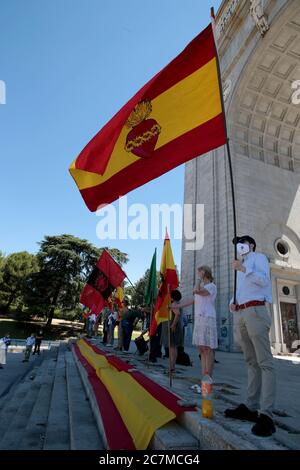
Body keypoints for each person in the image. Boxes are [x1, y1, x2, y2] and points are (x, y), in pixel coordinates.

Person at [224, 235, 276, 437]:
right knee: (250, 361)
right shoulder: (241, 264)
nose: (239, 247)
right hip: (241, 313)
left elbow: (263, 280)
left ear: (251, 245)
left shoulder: (258, 258)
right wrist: (232, 301)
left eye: (242, 243)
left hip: (256, 311)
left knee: (265, 362)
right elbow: (241, 290)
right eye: (237, 245)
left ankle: (267, 415)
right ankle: (251, 406)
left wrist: (244, 269)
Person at [174, 267, 218, 377]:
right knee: (201, 349)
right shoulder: (203, 287)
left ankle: (208, 380)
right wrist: (175, 306)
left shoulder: (211, 286)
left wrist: (198, 279)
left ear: (205, 273)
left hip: (207, 318)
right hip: (199, 320)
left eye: (199, 272)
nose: (198, 274)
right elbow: (192, 300)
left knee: (207, 349)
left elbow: (196, 291)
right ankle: (204, 378)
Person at [160, 289, 184, 373]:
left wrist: (173, 325)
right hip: (178, 327)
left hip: (174, 328)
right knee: (174, 348)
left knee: (172, 348)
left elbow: (177, 314)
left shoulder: (174, 304)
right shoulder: (179, 304)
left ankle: (171, 367)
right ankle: (172, 366)